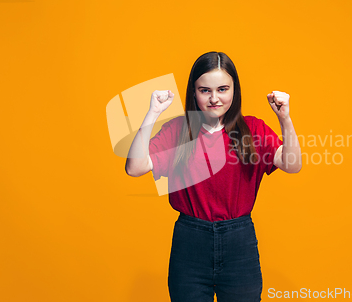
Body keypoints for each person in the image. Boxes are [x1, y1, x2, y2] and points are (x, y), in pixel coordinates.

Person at [125, 51, 301, 302]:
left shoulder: (253, 129)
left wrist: (284, 119)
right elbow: (135, 167)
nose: (214, 98)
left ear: (234, 90)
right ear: (194, 92)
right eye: (205, 90)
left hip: (239, 243)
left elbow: (292, 164)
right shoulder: (178, 130)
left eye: (222, 89)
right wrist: (152, 113)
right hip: (190, 243)